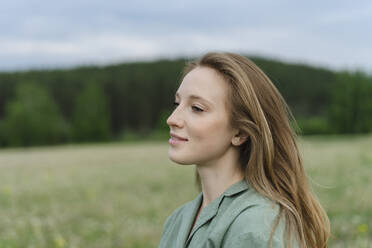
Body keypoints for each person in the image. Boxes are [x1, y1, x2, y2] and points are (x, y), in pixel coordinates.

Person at [158, 52, 330, 248]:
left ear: (240, 133)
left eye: (197, 108)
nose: (172, 119)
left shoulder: (256, 226)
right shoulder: (177, 221)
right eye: (177, 103)